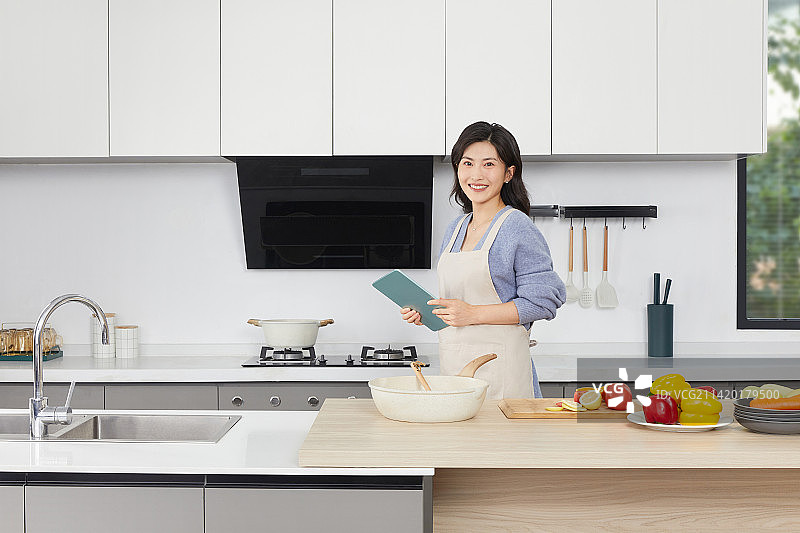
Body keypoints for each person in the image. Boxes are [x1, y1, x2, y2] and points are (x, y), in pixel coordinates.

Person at [401, 121, 565, 399]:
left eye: (489, 164)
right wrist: (429, 314)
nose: (476, 174)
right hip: (457, 370)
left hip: (503, 374)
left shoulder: (517, 226)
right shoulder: (456, 228)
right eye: (467, 163)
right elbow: (459, 305)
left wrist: (472, 314)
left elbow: (544, 301)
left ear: (508, 173)